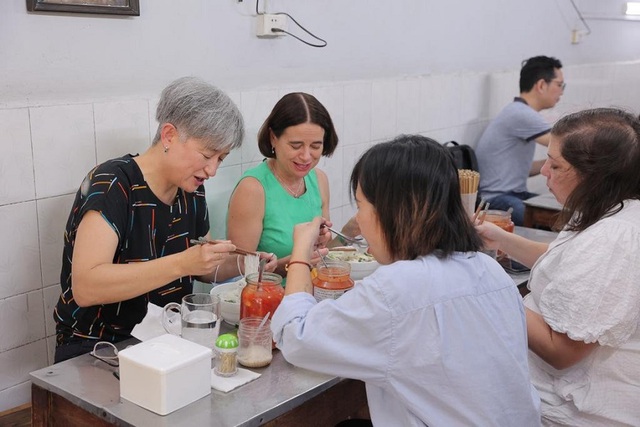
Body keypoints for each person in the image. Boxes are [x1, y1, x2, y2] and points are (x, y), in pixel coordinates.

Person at [271, 135, 541, 426]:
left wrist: (300, 252)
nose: (359, 221)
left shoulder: (397, 287)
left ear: (398, 211)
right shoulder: (488, 269)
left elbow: (295, 337)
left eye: (361, 207)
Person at [53, 76, 276, 363]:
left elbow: (202, 268)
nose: (212, 170)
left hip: (165, 341)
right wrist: (182, 263)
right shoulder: (113, 184)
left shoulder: (191, 190)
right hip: (97, 348)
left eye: (220, 158)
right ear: (169, 135)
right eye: (207, 155)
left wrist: (244, 262)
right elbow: (86, 287)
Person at [477, 108, 640, 425]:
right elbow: (564, 260)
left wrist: (485, 284)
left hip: (576, 412)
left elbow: (561, 352)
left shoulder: (613, 239)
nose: (545, 173)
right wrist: (498, 239)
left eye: (556, 165)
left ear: (595, 177)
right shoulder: (606, 208)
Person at [227, 92, 357, 279]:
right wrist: (292, 262)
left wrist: (348, 232)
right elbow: (237, 273)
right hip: (269, 299)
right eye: (296, 146)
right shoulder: (253, 189)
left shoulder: (319, 180)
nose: (306, 156)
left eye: (315, 146)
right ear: (273, 138)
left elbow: (321, 255)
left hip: (314, 291)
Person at [476, 55, 565, 225]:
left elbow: (522, 169)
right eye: (559, 85)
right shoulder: (521, 114)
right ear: (541, 85)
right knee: (556, 221)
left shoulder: (517, 112)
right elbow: (567, 144)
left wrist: (552, 163)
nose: (561, 92)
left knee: (562, 214)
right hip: (496, 200)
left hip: (512, 194)